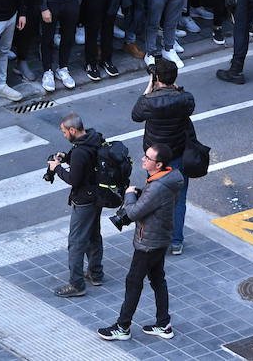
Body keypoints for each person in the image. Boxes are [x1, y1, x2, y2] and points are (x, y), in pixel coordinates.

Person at [96, 142, 184, 342]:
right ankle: (163, 323)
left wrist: (129, 195)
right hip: (159, 237)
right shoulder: (170, 178)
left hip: (148, 242)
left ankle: (123, 326)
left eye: (148, 158)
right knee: (157, 279)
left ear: (159, 164)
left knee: (133, 282)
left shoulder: (158, 187)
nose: (143, 159)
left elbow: (134, 213)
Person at [131, 59, 195, 255]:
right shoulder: (185, 98)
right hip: (178, 153)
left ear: (156, 78)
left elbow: (136, 114)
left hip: (155, 157)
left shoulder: (149, 101)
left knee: (153, 197)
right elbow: (188, 106)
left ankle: (156, 238)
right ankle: (176, 241)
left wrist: (150, 86)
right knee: (179, 199)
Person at [49, 112, 106, 298]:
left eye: (64, 132)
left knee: (76, 242)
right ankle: (96, 274)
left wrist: (56, 168)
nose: (64, 135)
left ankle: (76, 284)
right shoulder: (93, 138)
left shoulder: (81, 151)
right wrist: (66, 158)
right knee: (93, 235)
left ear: (73, 130)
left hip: (84, 201)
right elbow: (86, 163)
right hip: (97, 196)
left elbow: (74, 179)